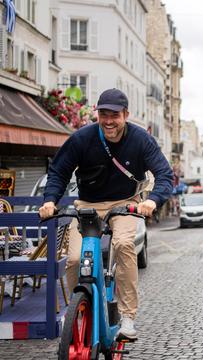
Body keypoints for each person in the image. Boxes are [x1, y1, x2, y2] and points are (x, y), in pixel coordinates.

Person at [39, 88, 173, 339]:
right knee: (75, 259)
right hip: (88, 203)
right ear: (97, 114)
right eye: (104, 114)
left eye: (115, 115)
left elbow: (164, 174)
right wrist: (49, 201)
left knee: (123, 245)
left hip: (125, 202)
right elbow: (59, 171)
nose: (109, 121)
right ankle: (80, 307)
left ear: (126, 115)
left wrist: (153, 201)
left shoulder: (141, 139)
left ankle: (128, 317)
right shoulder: (82, 138)